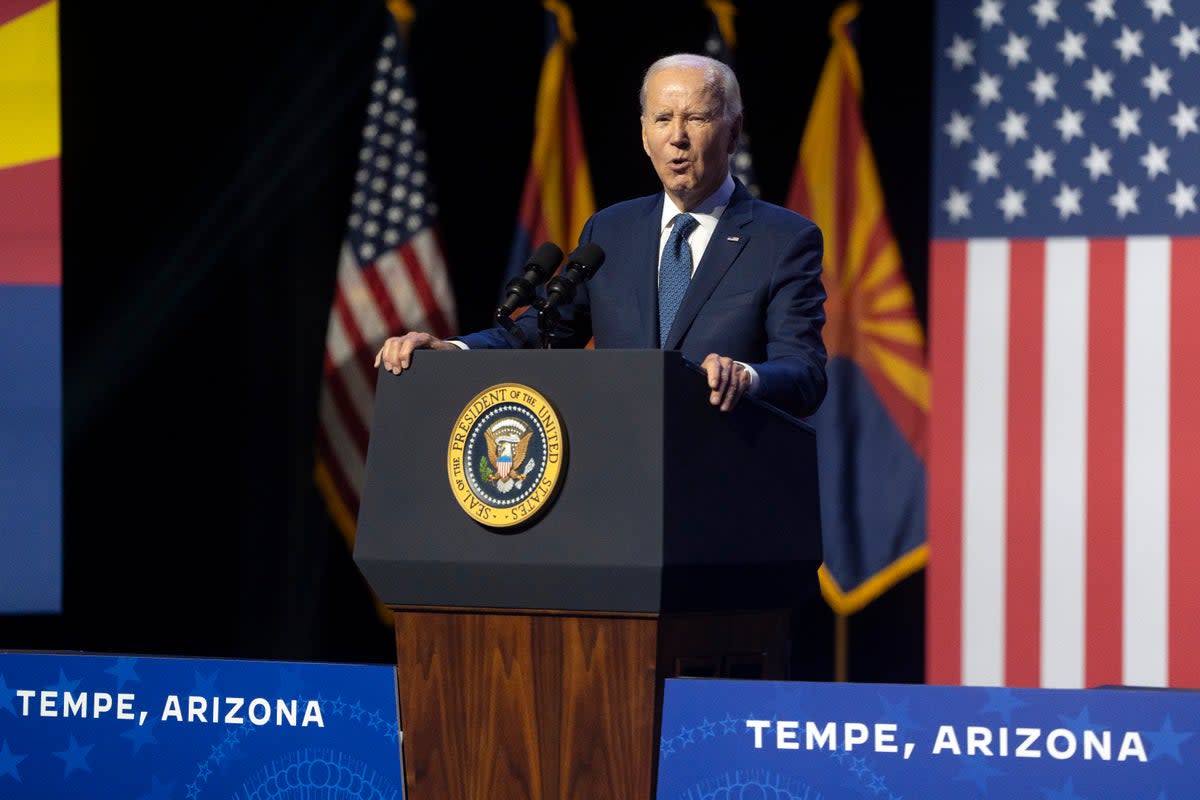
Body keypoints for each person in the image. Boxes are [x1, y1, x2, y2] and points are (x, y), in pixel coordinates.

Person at [374, 52, 827, 419]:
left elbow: (805, 373)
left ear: (733, 132)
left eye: (697, 118)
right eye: (663, 118)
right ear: (645, 135)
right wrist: (452, 348)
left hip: (724, 476)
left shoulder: (782, 239)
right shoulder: (610, 230)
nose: (678, 138)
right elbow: (545, 330)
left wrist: (746, 376)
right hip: (621, 475)